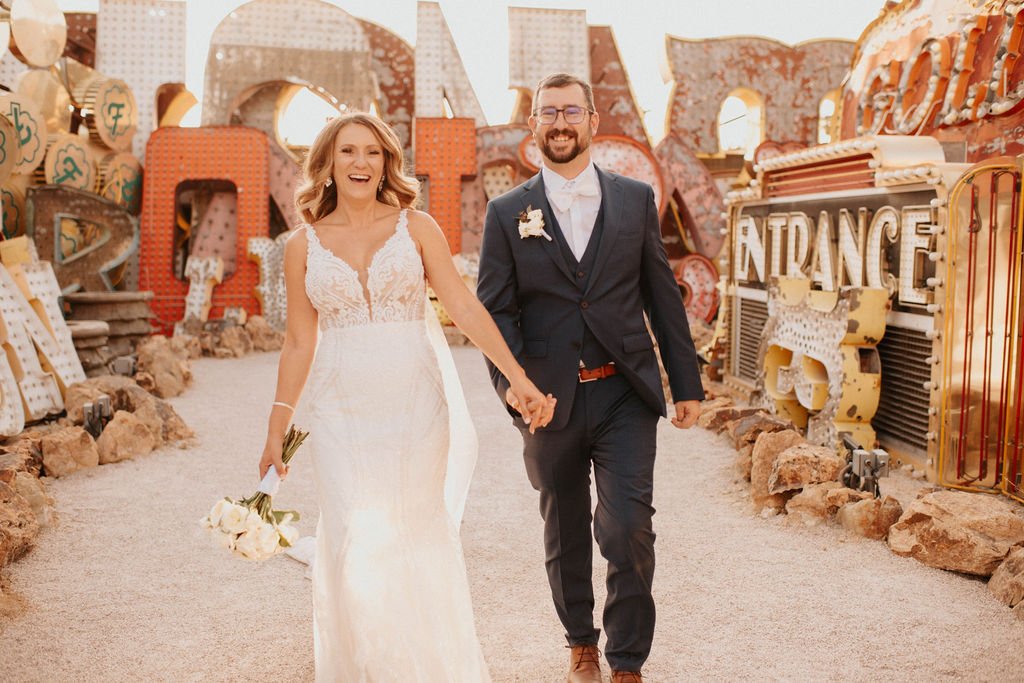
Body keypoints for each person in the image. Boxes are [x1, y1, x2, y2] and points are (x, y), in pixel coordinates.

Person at [258, 112, 555, 682]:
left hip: (415, 400)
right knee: (351, 532)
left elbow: (462, 306)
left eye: (372, 152)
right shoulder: (302, 246)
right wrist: (277, 428)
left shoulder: (417, 228)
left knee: (415, 528)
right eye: (348, 151)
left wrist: (518, 378)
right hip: (339, 406)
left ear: (386, 163)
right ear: (328, 164)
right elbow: (298, 342)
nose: (361, 163)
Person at [477, 73, 705, 683]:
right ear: (533, 125)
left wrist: (685, 384)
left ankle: (627, 660)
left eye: (571, 111)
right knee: (565, 525)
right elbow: (495, 312)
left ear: (592, 121)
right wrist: (513, 389)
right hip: (547, 399)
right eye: (548, 112)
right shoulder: (506, 212)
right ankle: (581, 641)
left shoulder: (634, 199)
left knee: (628, 526)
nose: (560, 123)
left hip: (624, 390)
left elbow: (662, 294)